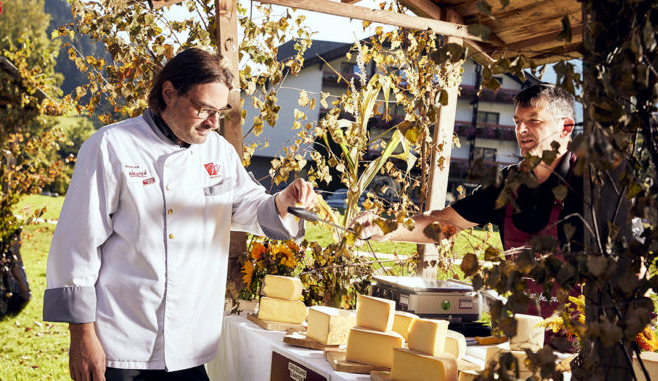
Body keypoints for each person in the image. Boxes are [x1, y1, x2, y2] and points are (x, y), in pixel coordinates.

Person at [43, 47, 316, 381]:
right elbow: (76, 248)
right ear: (169, 93)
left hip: (190, 348)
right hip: (123, 348)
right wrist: (82, 337)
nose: (214, 123)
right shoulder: (111, 147)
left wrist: (282, 202)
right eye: (203, 109)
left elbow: (246, 206)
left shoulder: (218, 152)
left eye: (220, 111)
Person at [354, 84, 630, 320]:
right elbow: (446, 223)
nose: (521, 129)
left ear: (566, 127)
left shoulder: (596, 187)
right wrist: (384, 228)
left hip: (583, 345)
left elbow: (630, 263)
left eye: (533, 120)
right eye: (517, 121)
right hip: (522, 333)